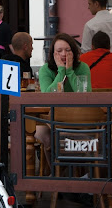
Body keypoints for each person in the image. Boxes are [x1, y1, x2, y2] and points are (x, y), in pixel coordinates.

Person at [35, 33, 92, 165]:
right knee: (44, 134)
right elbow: (48, 95)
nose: (63, 54)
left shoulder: (83, 67)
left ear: (74, 51)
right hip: (51, 117)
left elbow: (85, 94)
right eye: (59, 51)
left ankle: (79, 171)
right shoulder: (46, 70)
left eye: (67, 50)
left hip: (78, 117)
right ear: (53, 54)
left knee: (84, 135)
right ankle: (55, 172)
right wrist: (61, 71)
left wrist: (70, 71)